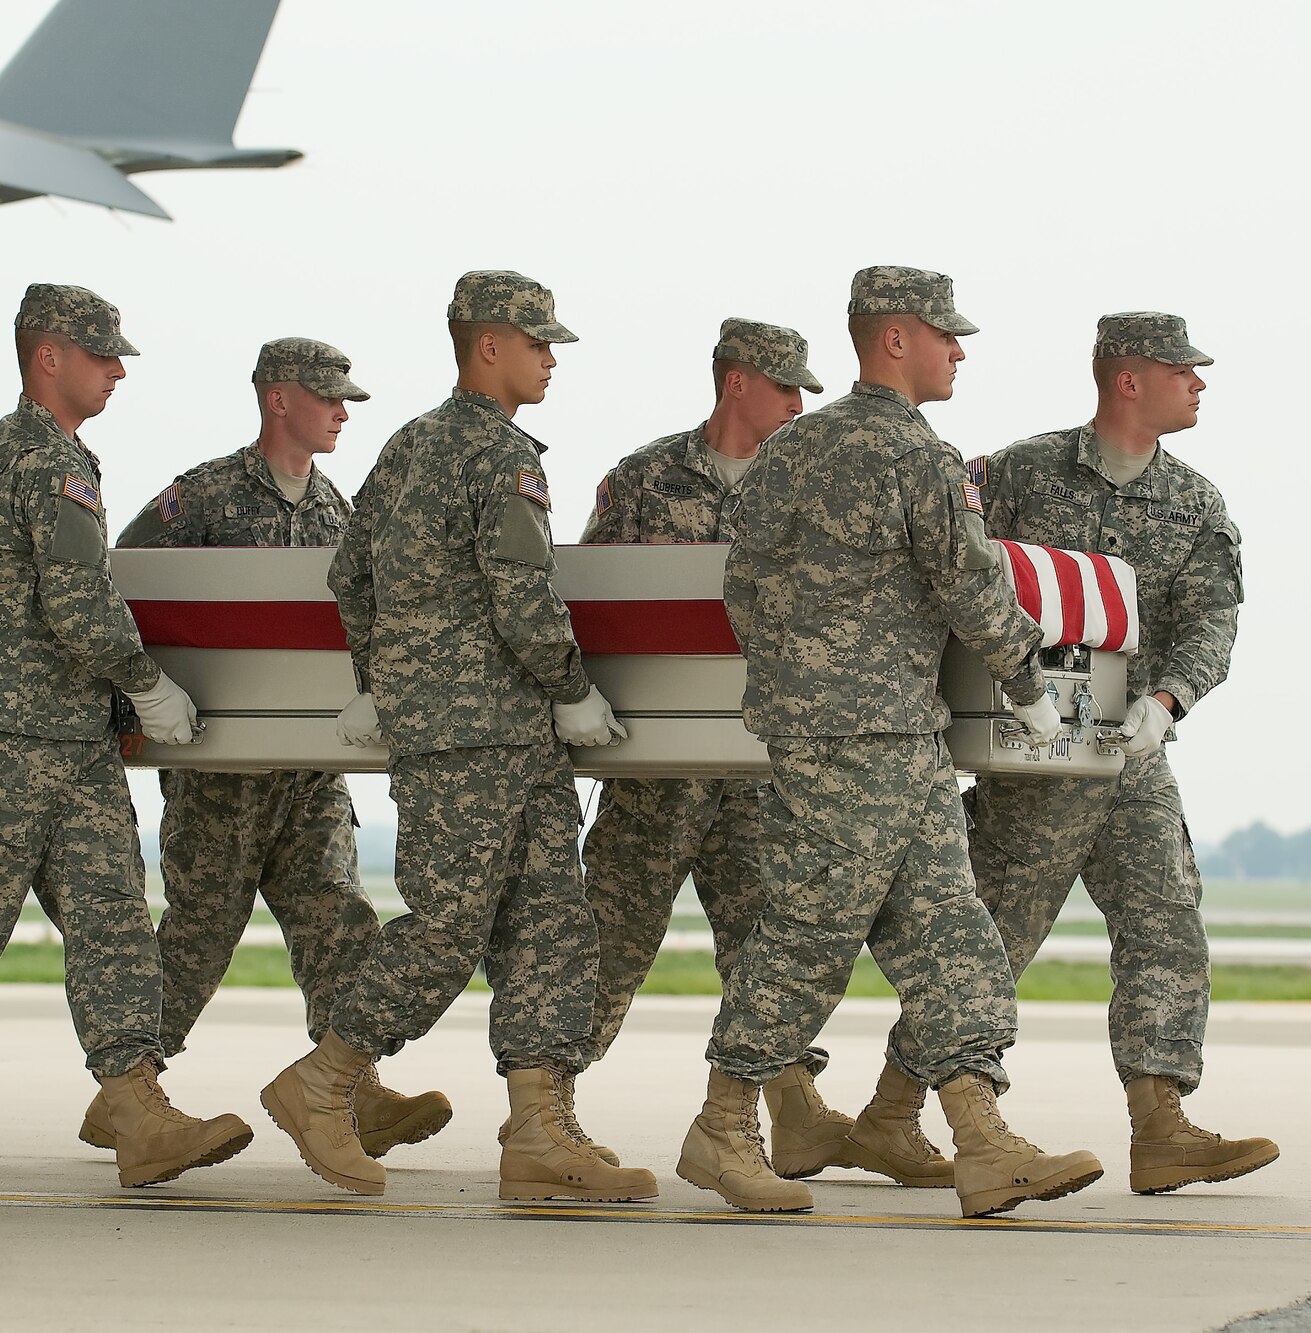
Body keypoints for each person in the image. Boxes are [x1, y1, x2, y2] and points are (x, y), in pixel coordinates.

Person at [683, 266, 1103, 1218]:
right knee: (811, 930)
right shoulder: (916, 455)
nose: (960, 351)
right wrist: (1030, 685)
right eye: (946, 335)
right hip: (861, 736)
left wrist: (798, 681)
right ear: (896, 339)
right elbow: (970, 580)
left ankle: (982, 1137)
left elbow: (741, 588)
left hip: (882, 733)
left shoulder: (787, 453)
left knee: (951, 930)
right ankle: (721, 1123)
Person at [0, 284, 248, 1189]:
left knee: (113, 923)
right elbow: (75, 601)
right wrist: (146, 686)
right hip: (4, 739)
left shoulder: (61, 457)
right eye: (101, 352)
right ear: (47, 356)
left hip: (63, 737)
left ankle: (137, 1108)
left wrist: (109, 713)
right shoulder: (38, 460)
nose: (118, 368)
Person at [261, 270, 656, 1204]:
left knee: (552, 927)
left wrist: (384, 676)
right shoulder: (497, 455)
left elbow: (349, 574)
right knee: (448, 930)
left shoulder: (404, 448)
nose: (551, 358)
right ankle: (321, 1082)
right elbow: (524, 596)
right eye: (538, 342)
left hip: (475, 735)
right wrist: (571, 690)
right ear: (489, 346)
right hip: (481, 737)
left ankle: (539, 1125)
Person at [94, 337, 451, 1159]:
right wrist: (136, 703)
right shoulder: (205, 497)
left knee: (339, 917)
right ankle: (127, 1091)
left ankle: (347, 1089)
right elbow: (124, 587)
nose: (342, 412)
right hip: (222, 765)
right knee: (201, 932)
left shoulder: (339, 511)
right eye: (328, 396)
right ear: (277, 398)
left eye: (347, 399)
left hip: (311, 767)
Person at [959, 312, 1275, 1194]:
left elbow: (1214, 620)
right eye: (1184, 371)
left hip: (1131, 752)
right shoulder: (1017, 472)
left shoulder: (1195, 503)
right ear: (1129, 379)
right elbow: (958, 574)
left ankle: (1161, 1121)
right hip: (1036, 752)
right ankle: (900, 1109)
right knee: (994, 941)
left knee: (1165, 916)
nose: (1199, 384)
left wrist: (1167, 702)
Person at [577, 317, 867, 1180]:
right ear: (736, 382)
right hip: (658, 771)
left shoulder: (809, 486)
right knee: (612, 942)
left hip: (760, 768)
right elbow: (595, 601)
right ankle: (544, 1109)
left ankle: (795, 1112)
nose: (799, 402)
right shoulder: (643, 479)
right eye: (786, 386)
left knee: (766, 941)